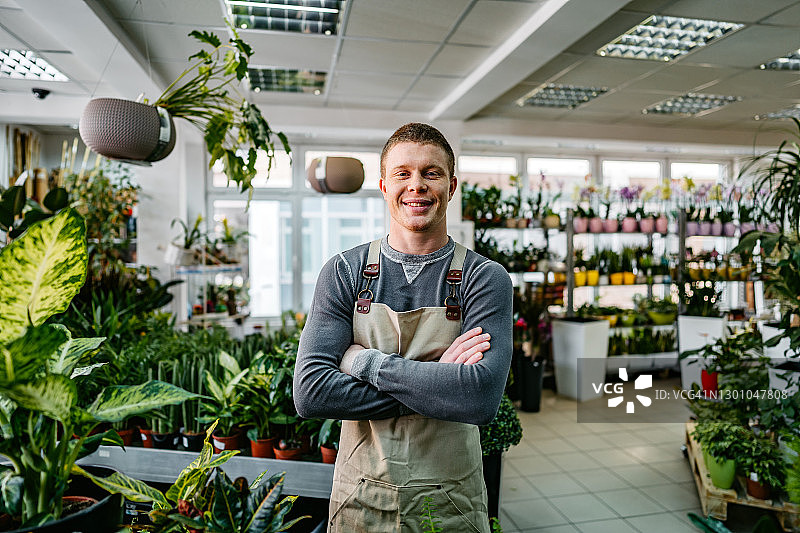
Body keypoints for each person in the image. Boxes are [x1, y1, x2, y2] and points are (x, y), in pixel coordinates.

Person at [293, 123, 512, 532]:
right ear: (382, 185)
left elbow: (479, 398)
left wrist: (365, 362)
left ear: (452, 185)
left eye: (431, 173)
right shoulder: (345, 272)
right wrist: (440, 384)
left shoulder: (484, 278)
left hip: (450, 503)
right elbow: (311, 392)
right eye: (402, 173)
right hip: (360, 497)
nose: (417, 185)